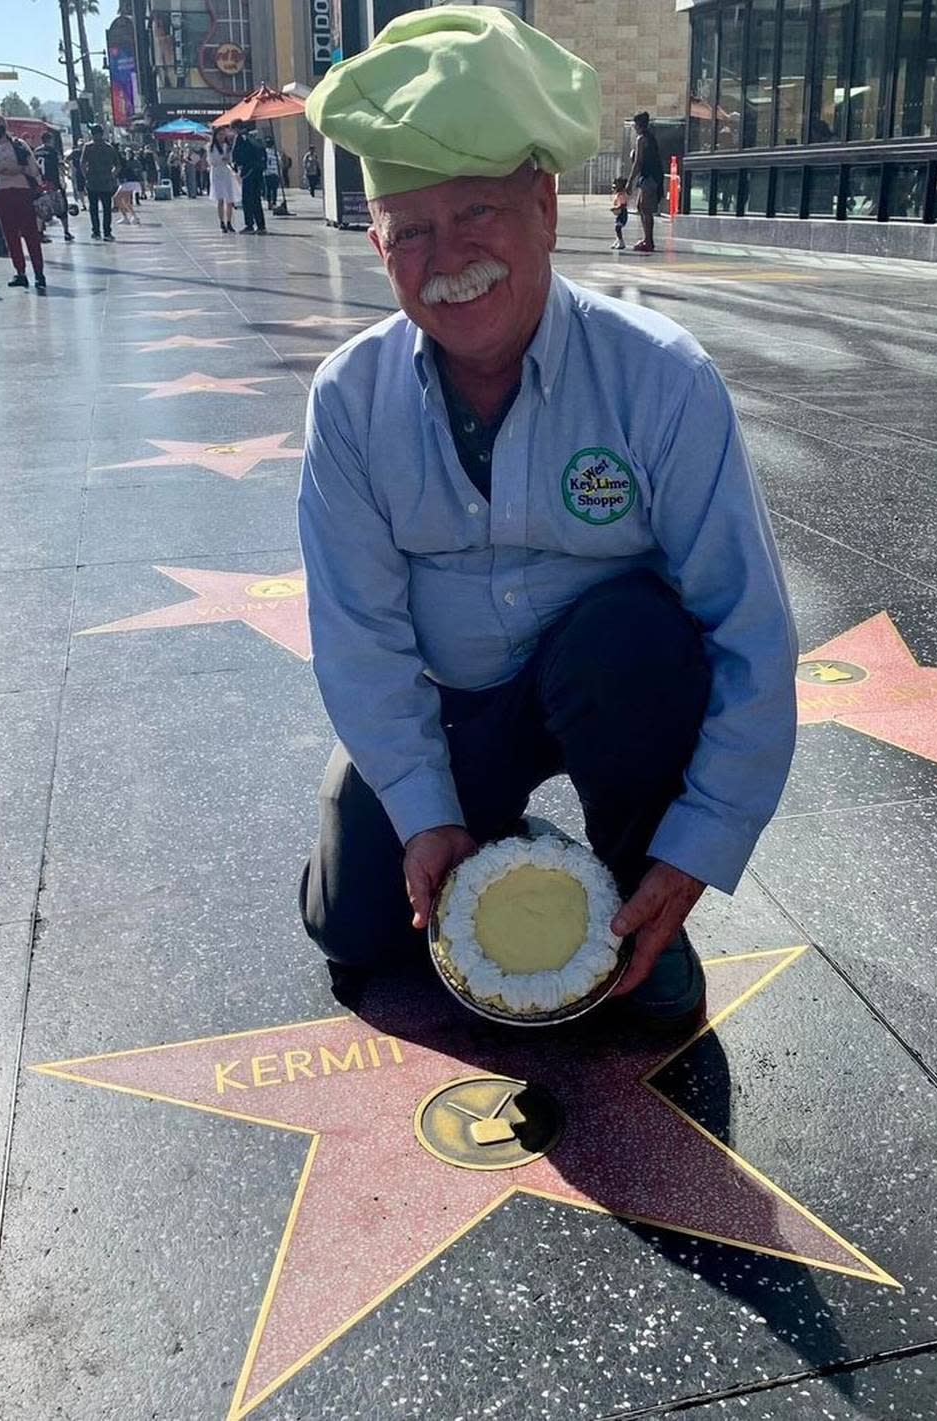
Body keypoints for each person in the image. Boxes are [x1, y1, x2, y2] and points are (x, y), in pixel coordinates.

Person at [298, 8, 797, 1025]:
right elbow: (360, 637)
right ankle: (516, 843)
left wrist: (695, 851)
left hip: (611, 686)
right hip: (452, 700)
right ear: (377, 241)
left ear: (544, 204)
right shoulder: (350, 402)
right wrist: (426, 814)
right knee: (351, 927)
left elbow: (750, 635)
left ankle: (634, 898)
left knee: (637, 641)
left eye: (477, 211)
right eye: (412, 230)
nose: (450, 257)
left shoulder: (661, 380)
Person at [0, 111, 46, 288]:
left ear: (5, 124)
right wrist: (3, 166)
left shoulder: (20, 145)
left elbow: (33, 169)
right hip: (1, 195)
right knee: (10, 235)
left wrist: (18, 168)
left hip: (23, 192)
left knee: (31, 233)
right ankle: (20, 272)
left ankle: (39, 273)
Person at [626, 110, 662, 252]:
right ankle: (647, 239)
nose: (634, 126)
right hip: (650, 176)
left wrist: (630, 182)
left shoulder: (641, 139)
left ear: (638, 124)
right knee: (641, 207)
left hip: (649, 177)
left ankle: (649, 241)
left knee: (645, 208)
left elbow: (638, 162)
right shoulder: (650, 137)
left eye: (635, 124)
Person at [80, 123, 119, 242]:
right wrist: (111, 175)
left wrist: (86, 176)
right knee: (107, 208)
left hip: (92, 182)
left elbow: (82, 163)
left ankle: (96, 232)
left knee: (94, 208)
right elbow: (118, 165)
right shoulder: (109, 147)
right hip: (106, 182)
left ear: (92, 134)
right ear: (102, 134)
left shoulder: (88, 147)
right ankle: (107, 232)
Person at [34, 128, 73, 242]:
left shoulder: (36, 152)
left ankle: (40, 233)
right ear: (50, 140)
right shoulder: (53, 152)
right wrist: (64, 178)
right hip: (54, 184)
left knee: (42, 209)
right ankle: (66, 232)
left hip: (41, 184)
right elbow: (60, 166)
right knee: (62, 208)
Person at [231, 120, 266, 233]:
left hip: (247, 171)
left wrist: (235, 166)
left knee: (247, 199)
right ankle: (261, 225)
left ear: (235, 128)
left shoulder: (240, 138)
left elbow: (236, 155)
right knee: (256, 199)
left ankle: (249, 224)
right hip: (258, 170)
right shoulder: (252, 135)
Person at [208, 126, 239, 232]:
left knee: (229, 199)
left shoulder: (227, 146)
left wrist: (228, 158)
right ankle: (222, 222)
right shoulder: (211, 147)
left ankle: (229, 222)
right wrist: (222, 159)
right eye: (219, 134)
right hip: (217, 173)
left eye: (223, 134)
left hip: (226, 172)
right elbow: (212, 161)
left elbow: (231, 159)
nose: (221, 137)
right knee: (220, 199)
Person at [114, 150, 141, 224]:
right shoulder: (122, 161)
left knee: (116, 198)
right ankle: (134, 217)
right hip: (131, 181)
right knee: (126, 201)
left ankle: (125, 217)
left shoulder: (118, 162)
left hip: (128, 182)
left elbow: (115, 172)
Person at [263, 136, 281, 210]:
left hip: (267, 173)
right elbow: (279, 163)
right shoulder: (276, 153)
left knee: (268, 189)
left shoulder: (264, 152)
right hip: (274, 173)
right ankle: (274, 203)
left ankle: (269, 203)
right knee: (274, 189)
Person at [610, 175, 628, 249]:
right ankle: (618, 240)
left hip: (622, 214)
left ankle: (621, 242)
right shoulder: (618, 194)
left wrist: (615, 208)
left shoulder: (622, 195)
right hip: (619, 214)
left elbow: (623, 205)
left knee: (618, 228)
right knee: (617, 228)